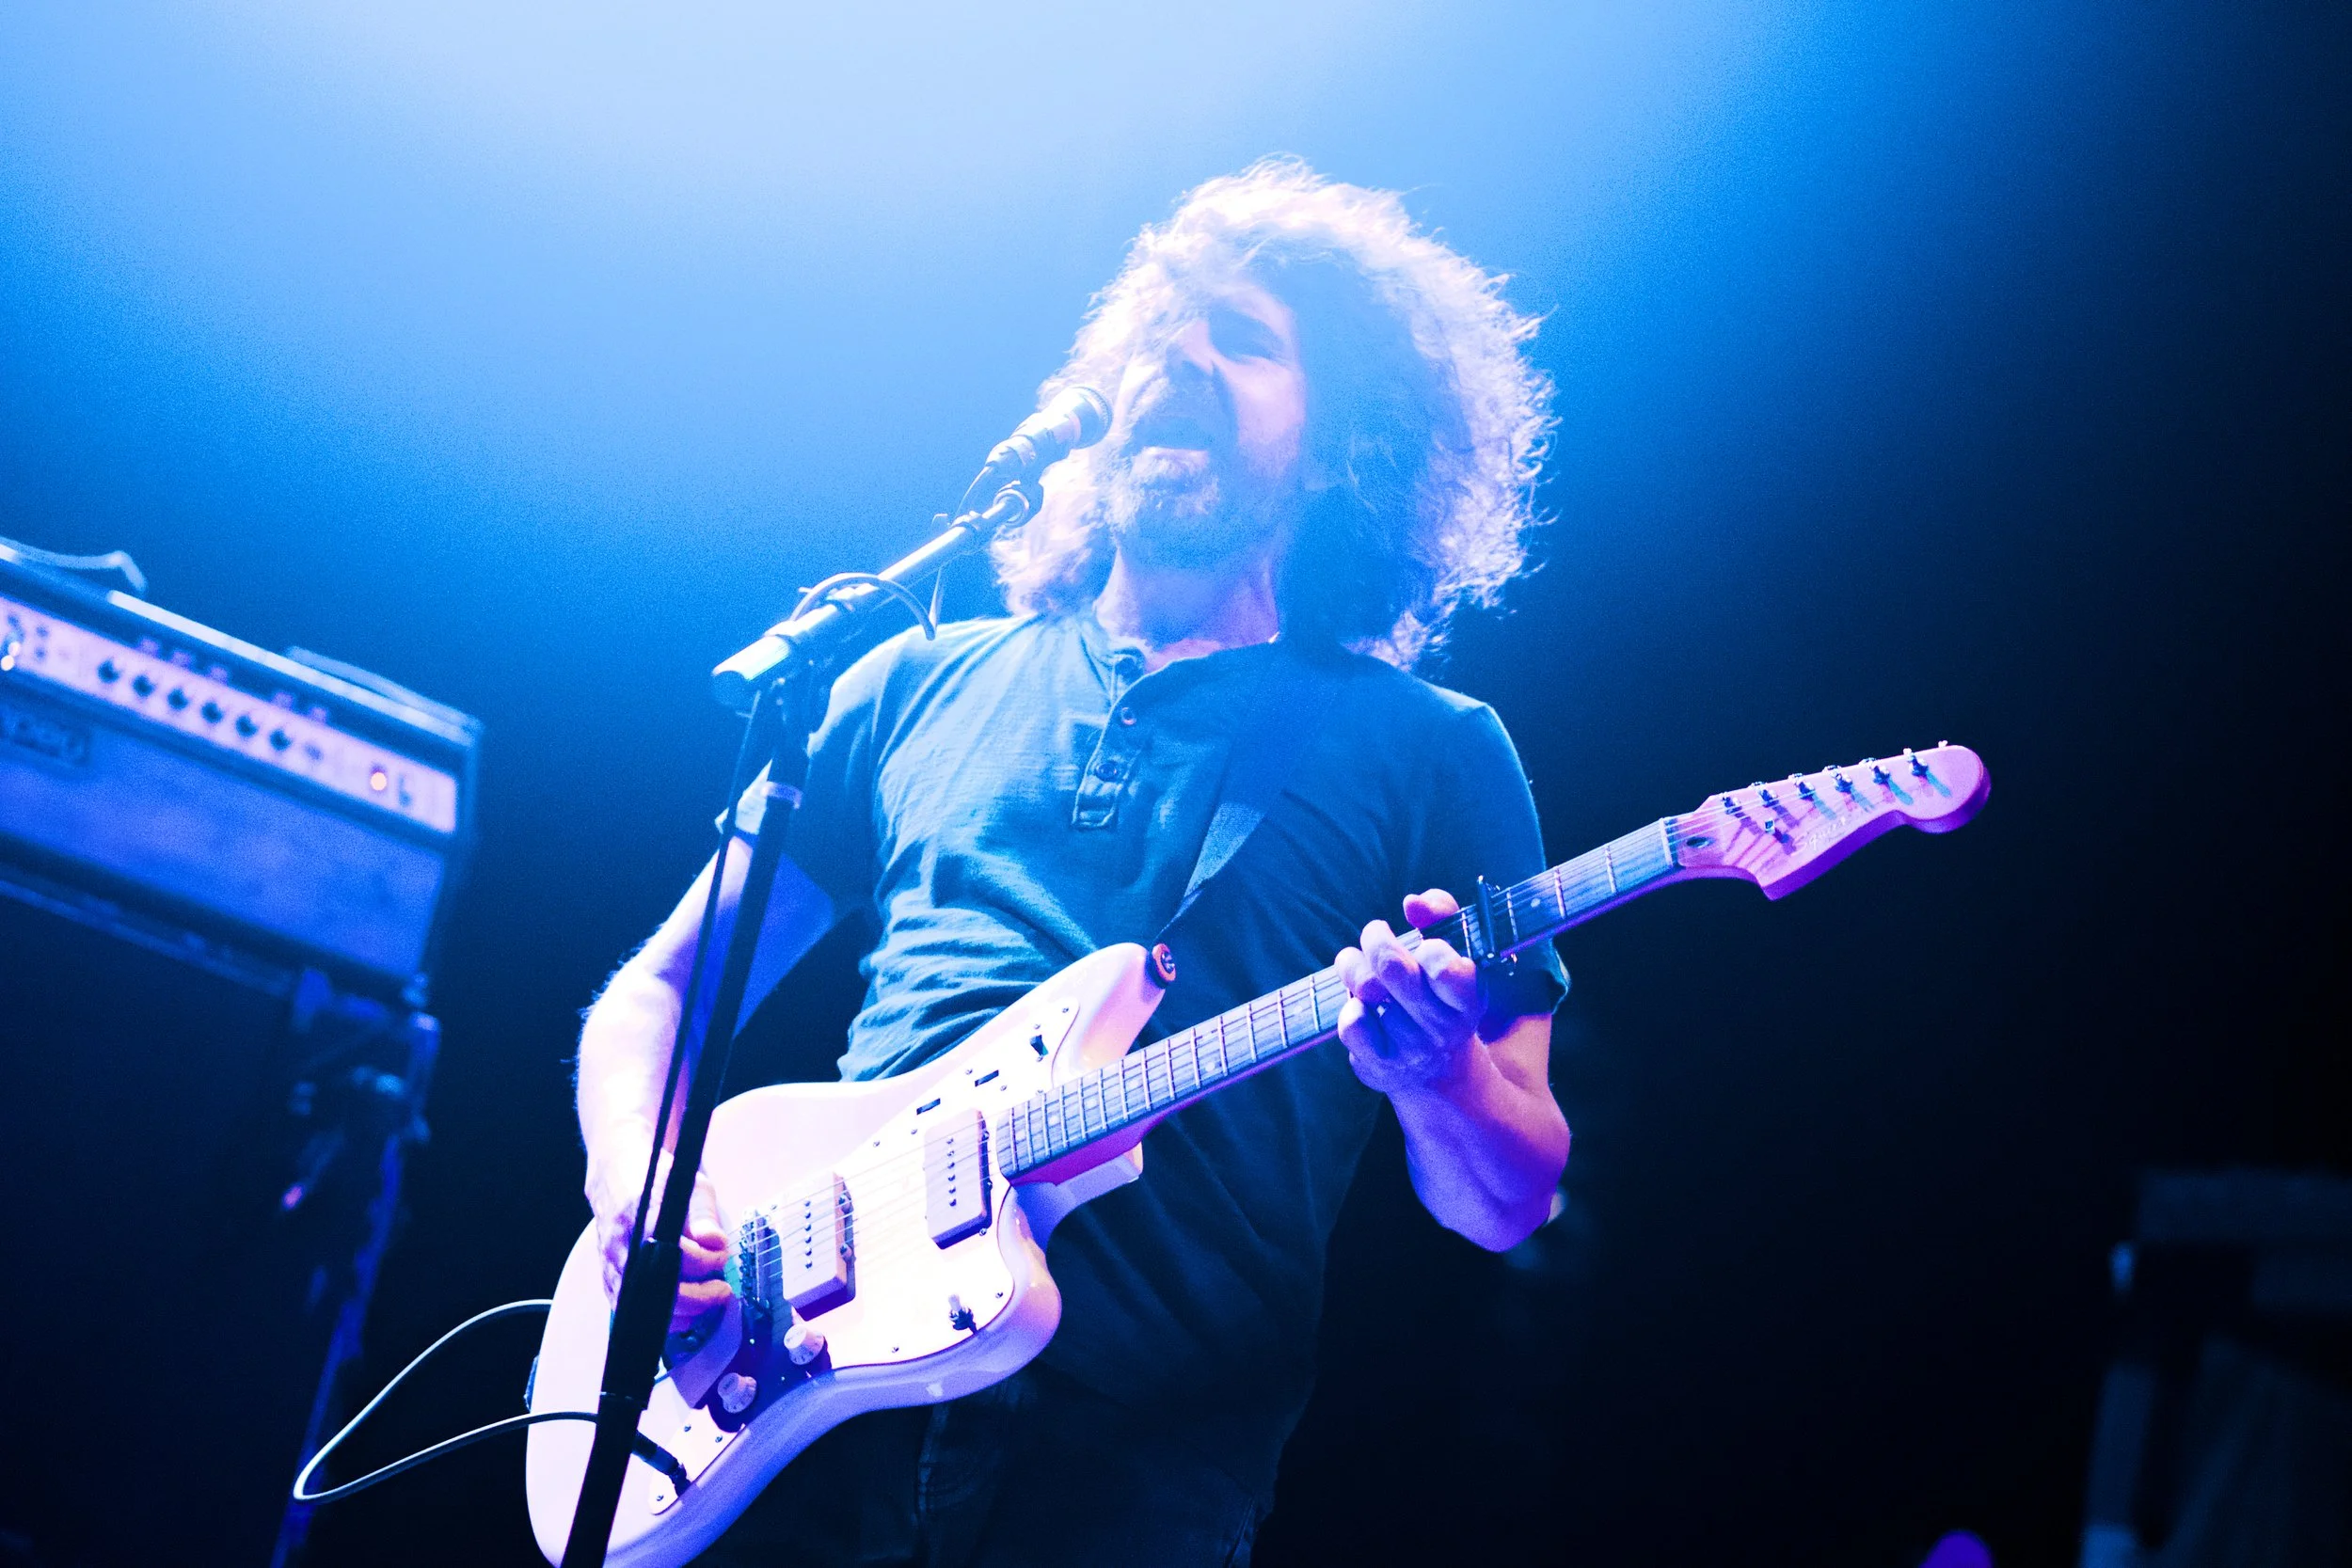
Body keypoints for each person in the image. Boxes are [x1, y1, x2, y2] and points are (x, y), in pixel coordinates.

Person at [573, 158, 1570, 1568]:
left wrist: (1440, 1073)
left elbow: (1510, 1190)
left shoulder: (1434, 754)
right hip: (791, 1400)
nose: (1182, 355)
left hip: (1125, 1478)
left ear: (1346, 440)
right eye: (1164, 326)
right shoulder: (910, 681)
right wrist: (644, 1185)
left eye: (1244, 338)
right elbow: (656, 996)